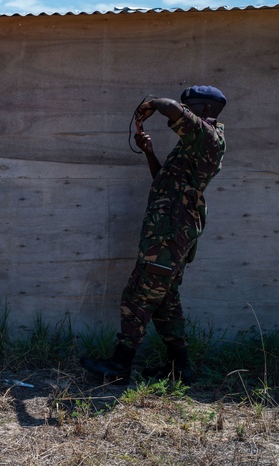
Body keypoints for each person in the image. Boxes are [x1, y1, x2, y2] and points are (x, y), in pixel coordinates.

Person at [81, 85, 227, 384]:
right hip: (168, 234)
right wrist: (149, 152)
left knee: (138, 296)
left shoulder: (209, 138)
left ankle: (120, 366)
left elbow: (171, 107)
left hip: (169, 236)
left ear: (208, 111)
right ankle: (180, 368)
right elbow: (164, 182)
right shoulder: (192, 147)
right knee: (164, 300)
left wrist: (151, 103)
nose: (187, 113)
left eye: (193, 107)